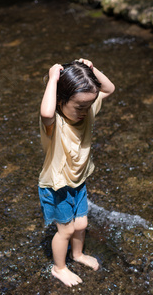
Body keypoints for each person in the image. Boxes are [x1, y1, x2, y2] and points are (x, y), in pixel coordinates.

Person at [38, 58, 115, 287]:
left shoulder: (87, 109)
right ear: (61, 101)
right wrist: (52, 79)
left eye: (88, 106)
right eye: (79, 107)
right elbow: (45, 112)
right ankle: (59, 268)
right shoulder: (55, 124)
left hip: (78, 183)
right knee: (66, 229)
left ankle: (77, 254)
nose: (85, 112)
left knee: (81, 225)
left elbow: (109, 89)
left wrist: (92, 70)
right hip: (56, 186)